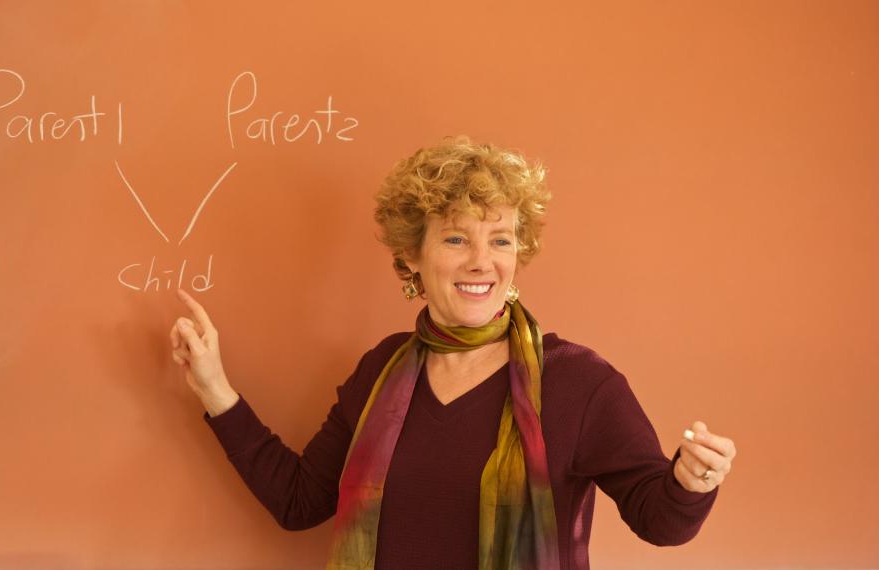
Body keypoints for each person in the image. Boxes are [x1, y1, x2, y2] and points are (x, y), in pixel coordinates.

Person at [169, 136, 737, 570]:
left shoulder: (580, 383)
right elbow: (299, 504)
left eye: (501, 240)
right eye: (456, 238)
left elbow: (659, 521)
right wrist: (216, 390)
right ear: (412, 256)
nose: (480, 262)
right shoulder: (379, 372)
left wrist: (691, 483)